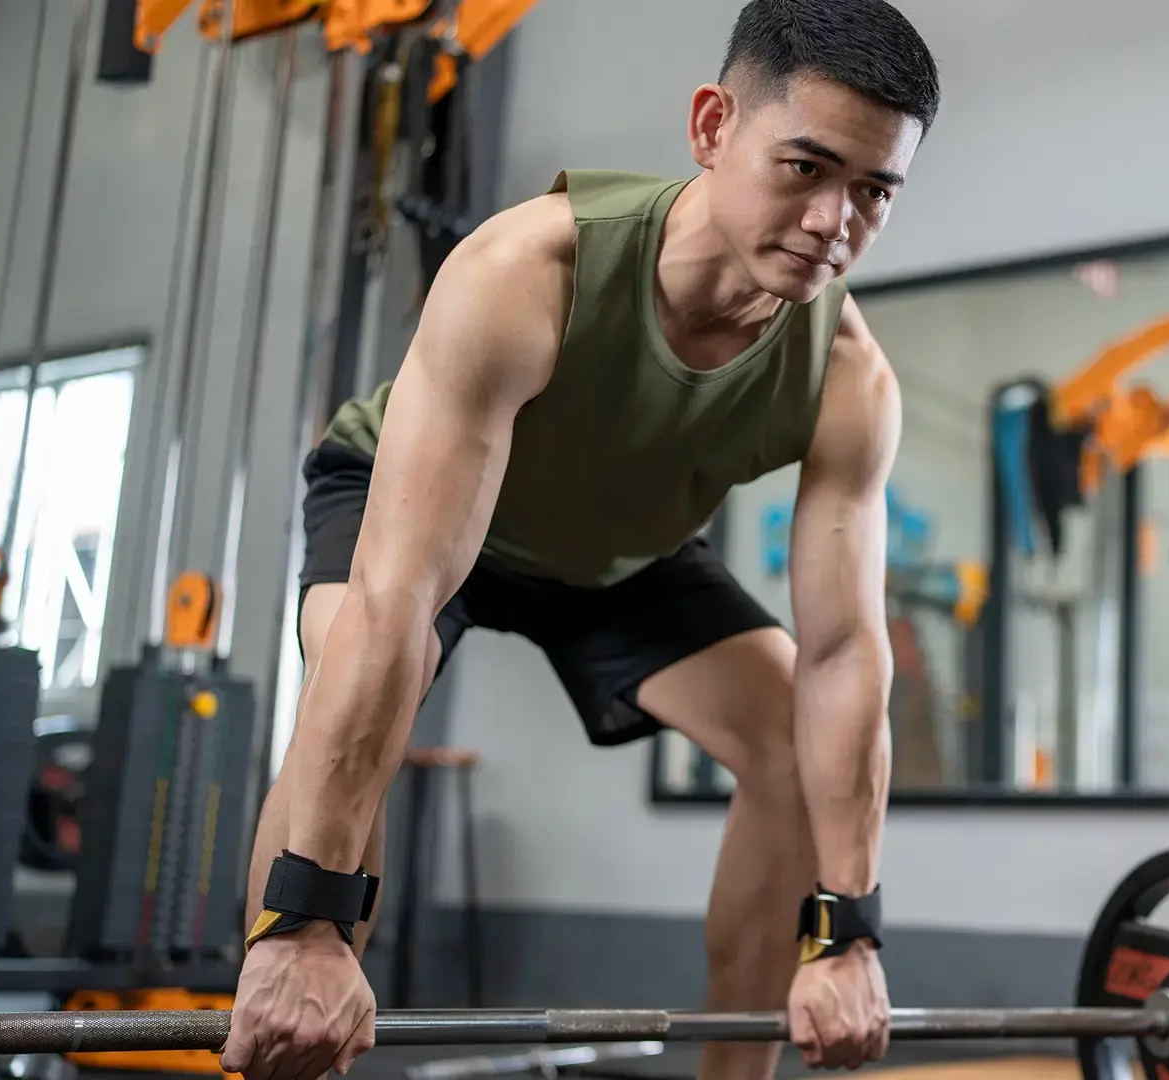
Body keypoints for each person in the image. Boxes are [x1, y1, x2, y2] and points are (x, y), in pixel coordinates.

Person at [218, 3, 940, 1079]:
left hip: (621, 552)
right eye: (806, 166)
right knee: (374, 662)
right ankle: (290, 991)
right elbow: (394, 597)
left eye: (874, 191)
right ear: (712, 127)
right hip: (416, 512)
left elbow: (845, 657)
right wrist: (307, 922)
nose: (836, 219)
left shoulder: (847, 377)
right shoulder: (525, 271)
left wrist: (847, 931)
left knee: (791, 724)